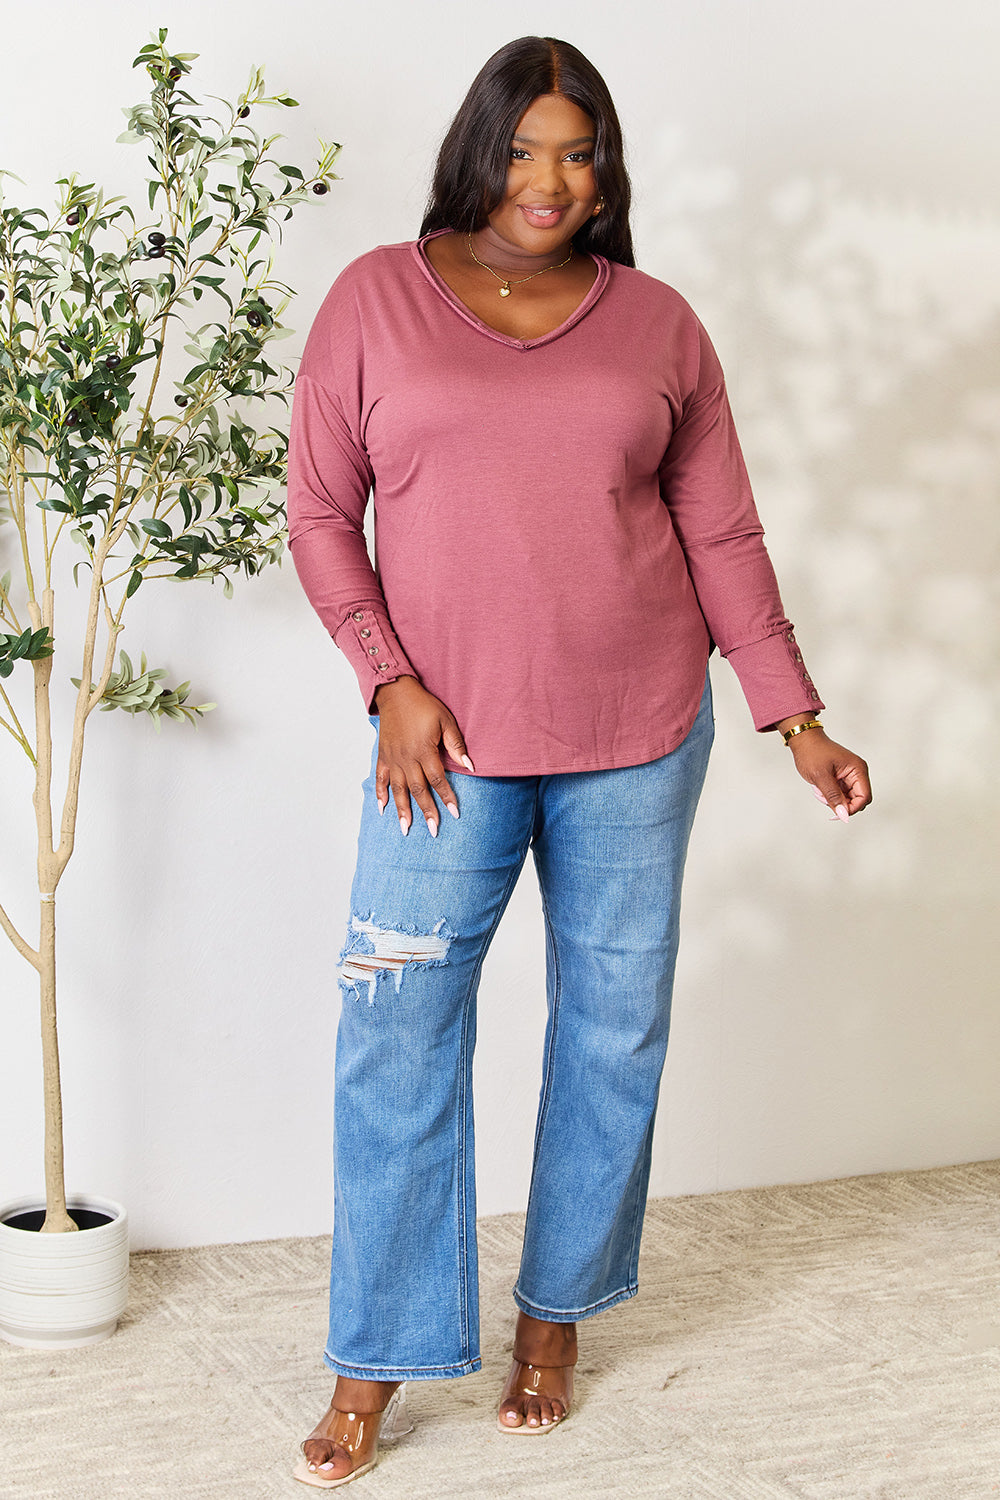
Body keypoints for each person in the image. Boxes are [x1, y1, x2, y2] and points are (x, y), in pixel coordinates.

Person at [285, 34, 872, 1489]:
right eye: (526, 147)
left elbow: (718, 528)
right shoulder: (376, 299)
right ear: (479, 147)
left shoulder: (659, 322)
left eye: (579, 150)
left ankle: (554, 1319)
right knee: (396, 1040)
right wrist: (390, 680)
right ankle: (377, 1351)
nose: (550, 181)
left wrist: (794, 715)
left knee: (611, 1036)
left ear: (604, 168)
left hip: (637, 728)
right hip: (444, 749)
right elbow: (316, 513)